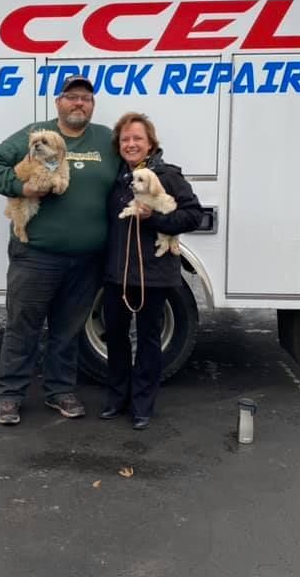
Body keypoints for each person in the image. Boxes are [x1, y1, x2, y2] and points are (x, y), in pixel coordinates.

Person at [0, 75, 120, 426]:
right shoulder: (35, 133)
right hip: (37, 256)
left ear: (93, 105)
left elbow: (141, 155)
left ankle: (60, 392)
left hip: (87, 259)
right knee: (22, 326)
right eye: (72, 97)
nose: (79, 103)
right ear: (58, 102)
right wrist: (22, 187)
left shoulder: (105, 138)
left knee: (68, 330)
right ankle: (10, 395)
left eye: (86, 98)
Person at [101, 112, 203, 430]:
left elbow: (192, 215)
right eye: (125, 139)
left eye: (138, 139)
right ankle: (117, 398)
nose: (131, 144)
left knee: (148, 340)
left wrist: (154, 219)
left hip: (153, 276)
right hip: (117, 274)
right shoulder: (115, 179)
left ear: (150, 144)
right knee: (115, 338)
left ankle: (142, 404)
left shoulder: (167, 176)